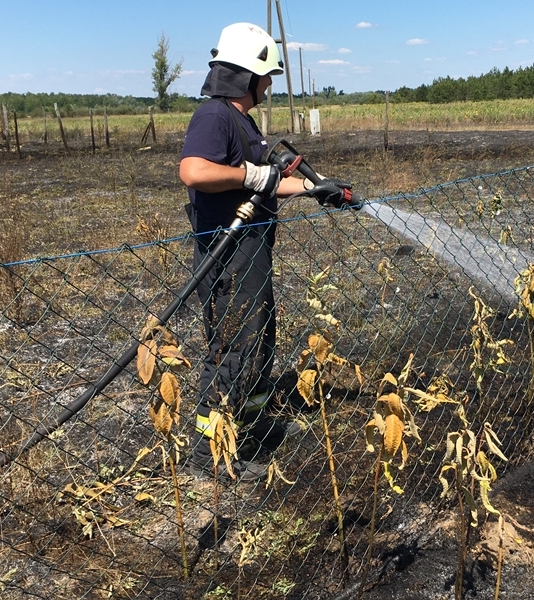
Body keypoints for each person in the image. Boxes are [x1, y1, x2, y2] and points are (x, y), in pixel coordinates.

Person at [179, 22, 352, 481]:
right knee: (231, 348)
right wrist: (251, 177)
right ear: (244, 75)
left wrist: (318, 189)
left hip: (251, 251)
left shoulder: (242, 121)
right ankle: (209, 452)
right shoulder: (214, 116)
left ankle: (252, 426)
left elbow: (270, 181)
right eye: (265, 76)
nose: (270, 84)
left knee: (258, 341)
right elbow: (194, 171)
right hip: (227, 253)